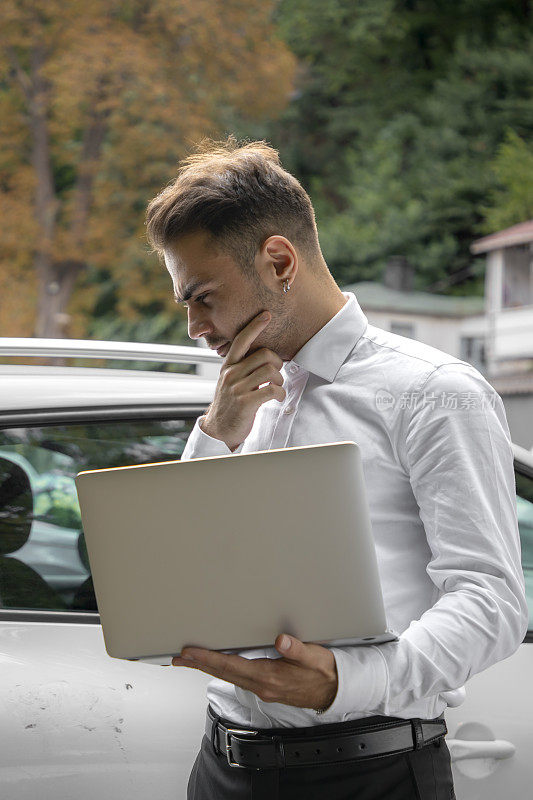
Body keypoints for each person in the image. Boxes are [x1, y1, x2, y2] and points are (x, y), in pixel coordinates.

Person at [145, 135, 528, 800]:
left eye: (202, 296)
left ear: (277, 261)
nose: (194, 328)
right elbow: (182, 574)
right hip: (220, 768)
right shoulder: (237, 397)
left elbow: (491, 601)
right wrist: (216, 432)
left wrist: (346, 682)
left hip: (368, 776)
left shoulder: (434, 392)